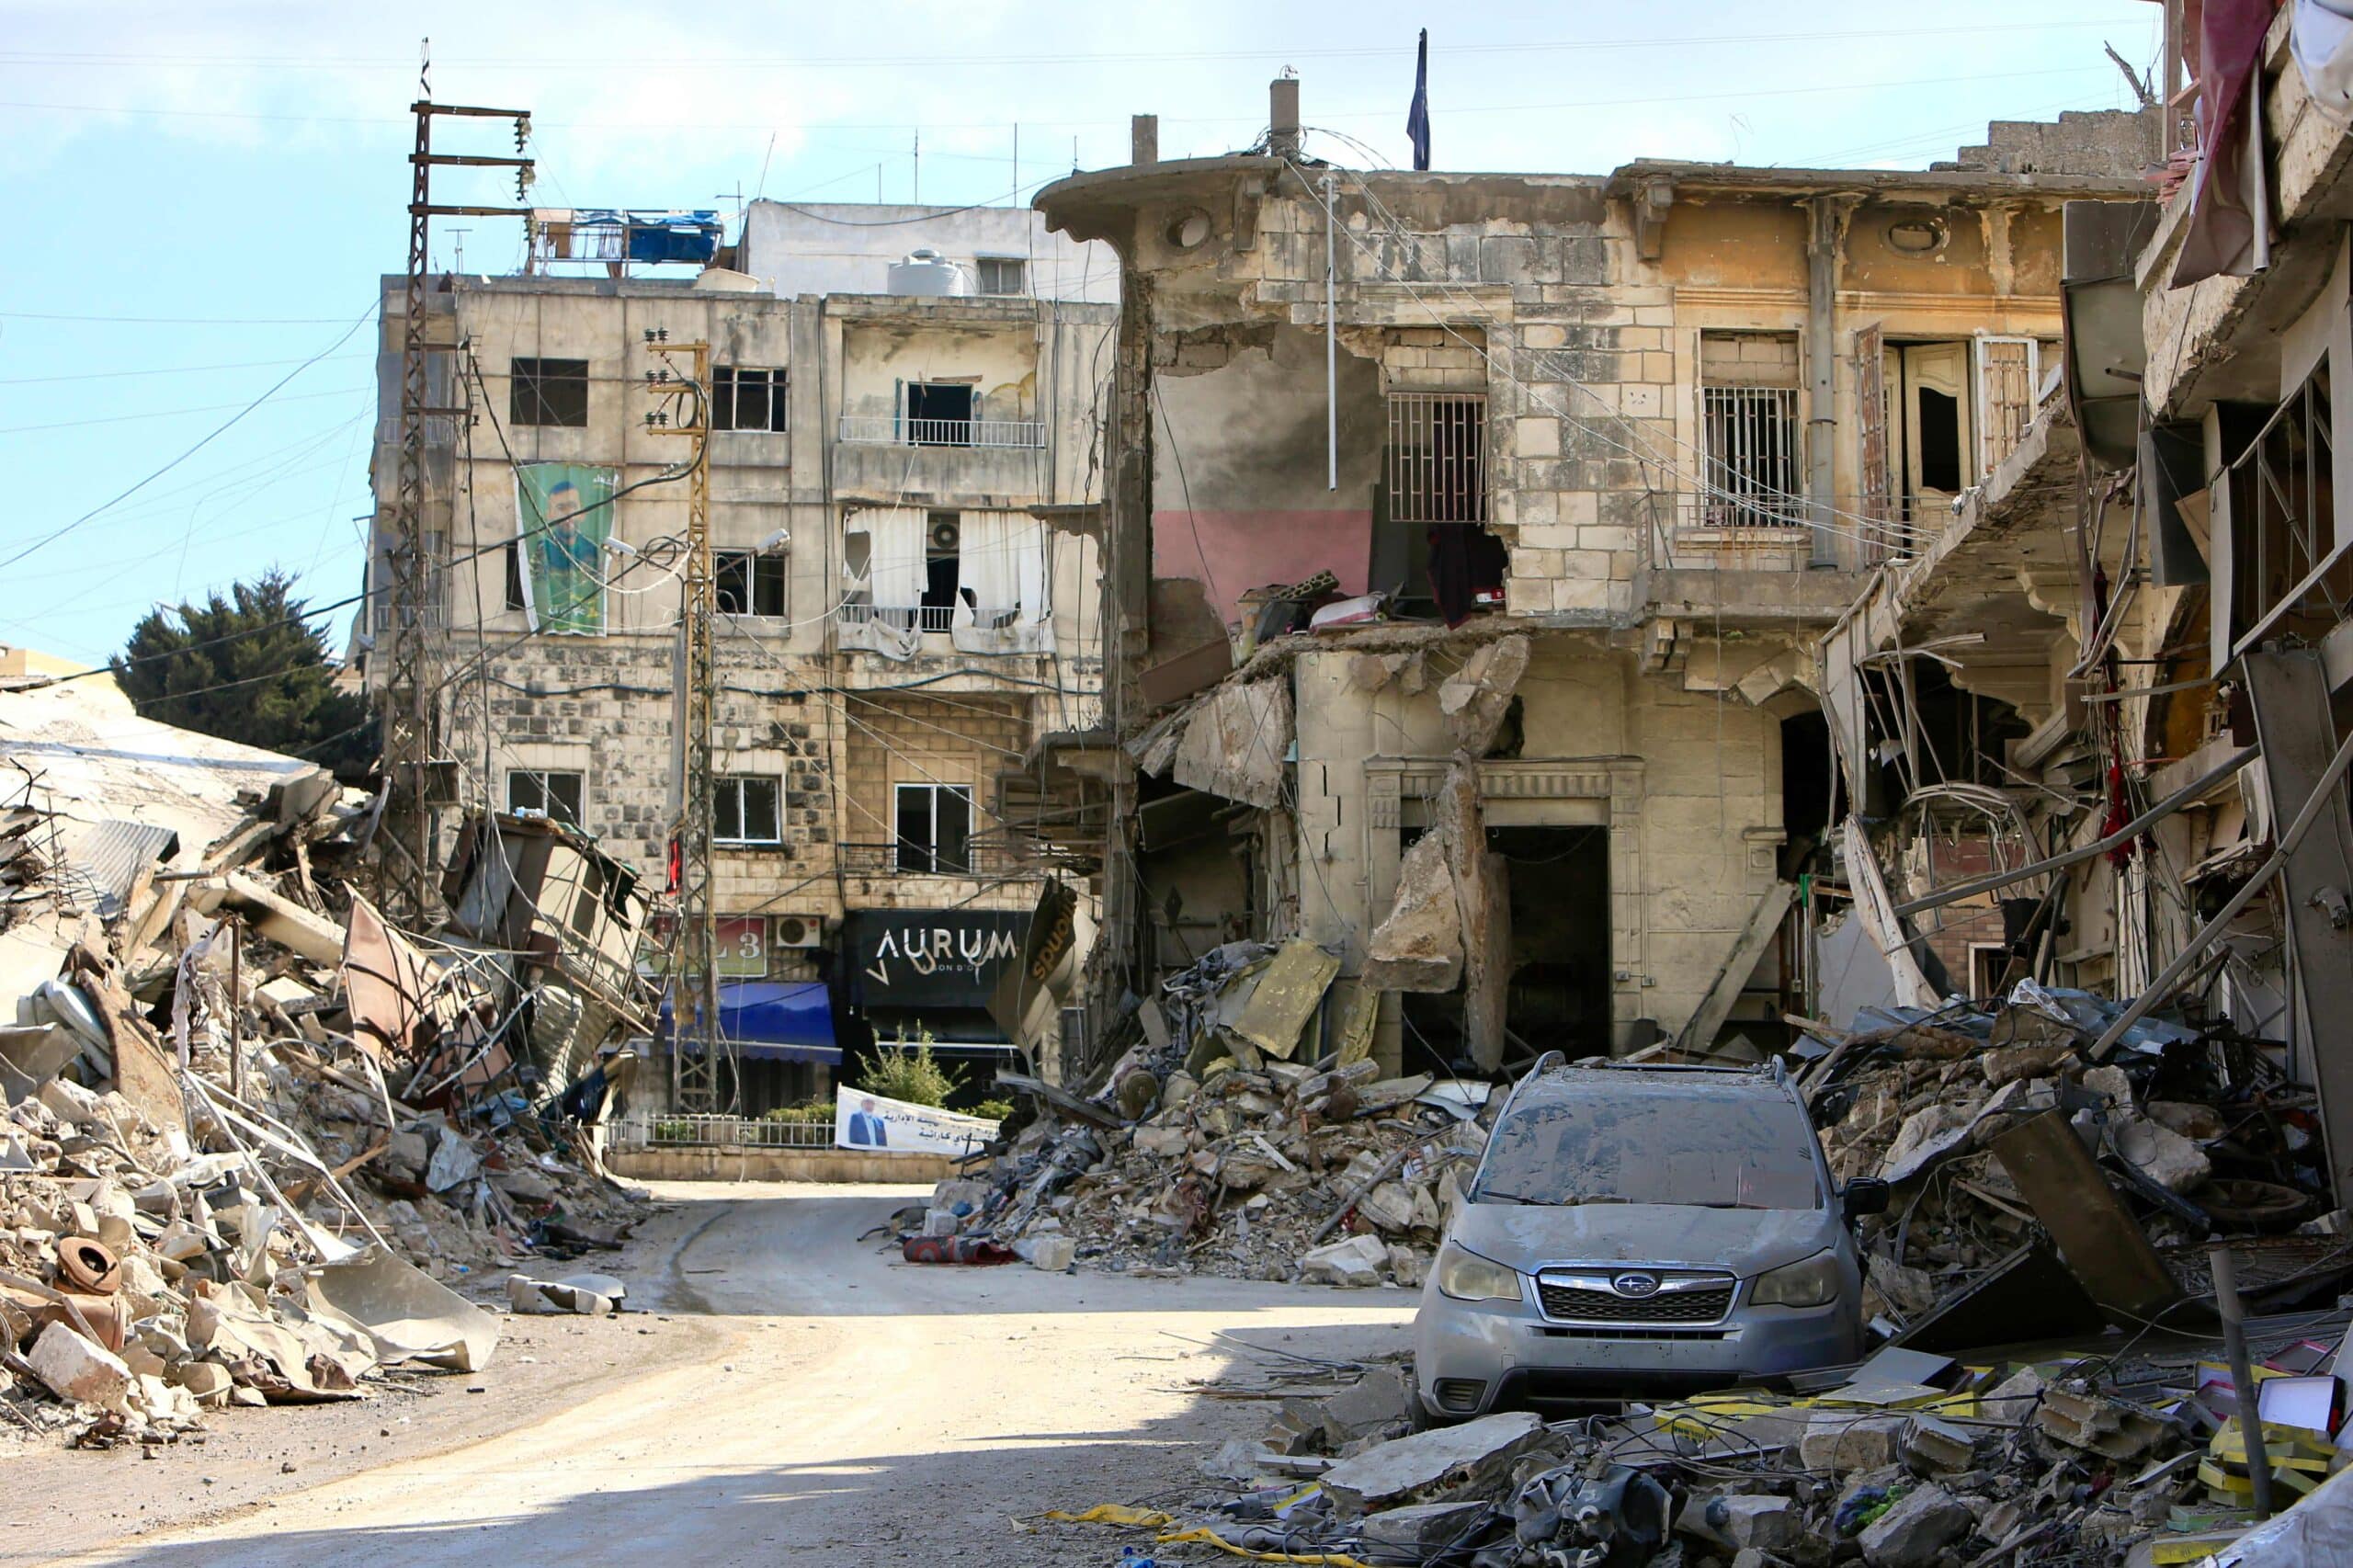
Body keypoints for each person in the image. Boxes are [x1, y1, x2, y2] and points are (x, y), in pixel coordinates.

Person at [535, 476, 601, 631]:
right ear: (549, 515)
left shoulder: (592, 551)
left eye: (572, 506)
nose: (568, 515)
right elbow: (536, 586)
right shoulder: (542, 550)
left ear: (582, 512)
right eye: (560, 508)